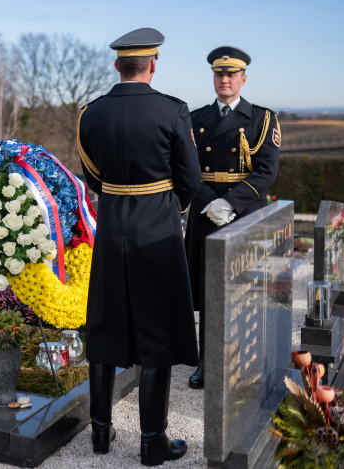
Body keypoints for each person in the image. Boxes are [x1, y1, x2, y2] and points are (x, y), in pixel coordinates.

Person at [77, 28, 201, 466]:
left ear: (117, 66)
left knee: (105, 321)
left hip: (111, 226)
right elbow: (190, 178)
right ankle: (152, 441)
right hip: (157, 227)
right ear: (153, 64)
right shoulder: (173, 111)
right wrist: (173, 206)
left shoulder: (90, 114)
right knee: (156, 329)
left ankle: (101, 434)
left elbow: (92, 174)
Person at [185, 46, 280, 389]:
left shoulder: (263, 119)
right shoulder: (194, 119)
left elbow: (266, 170)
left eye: (231, 74)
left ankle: (245, 359)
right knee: (211, 291)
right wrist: (210, 202)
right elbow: (186, 168)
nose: (224, 79)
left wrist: (232, 204)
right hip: (206, 212)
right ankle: (208, 363)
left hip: (244, 215)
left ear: (243, 78)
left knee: (244, 290)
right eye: (218, 74)